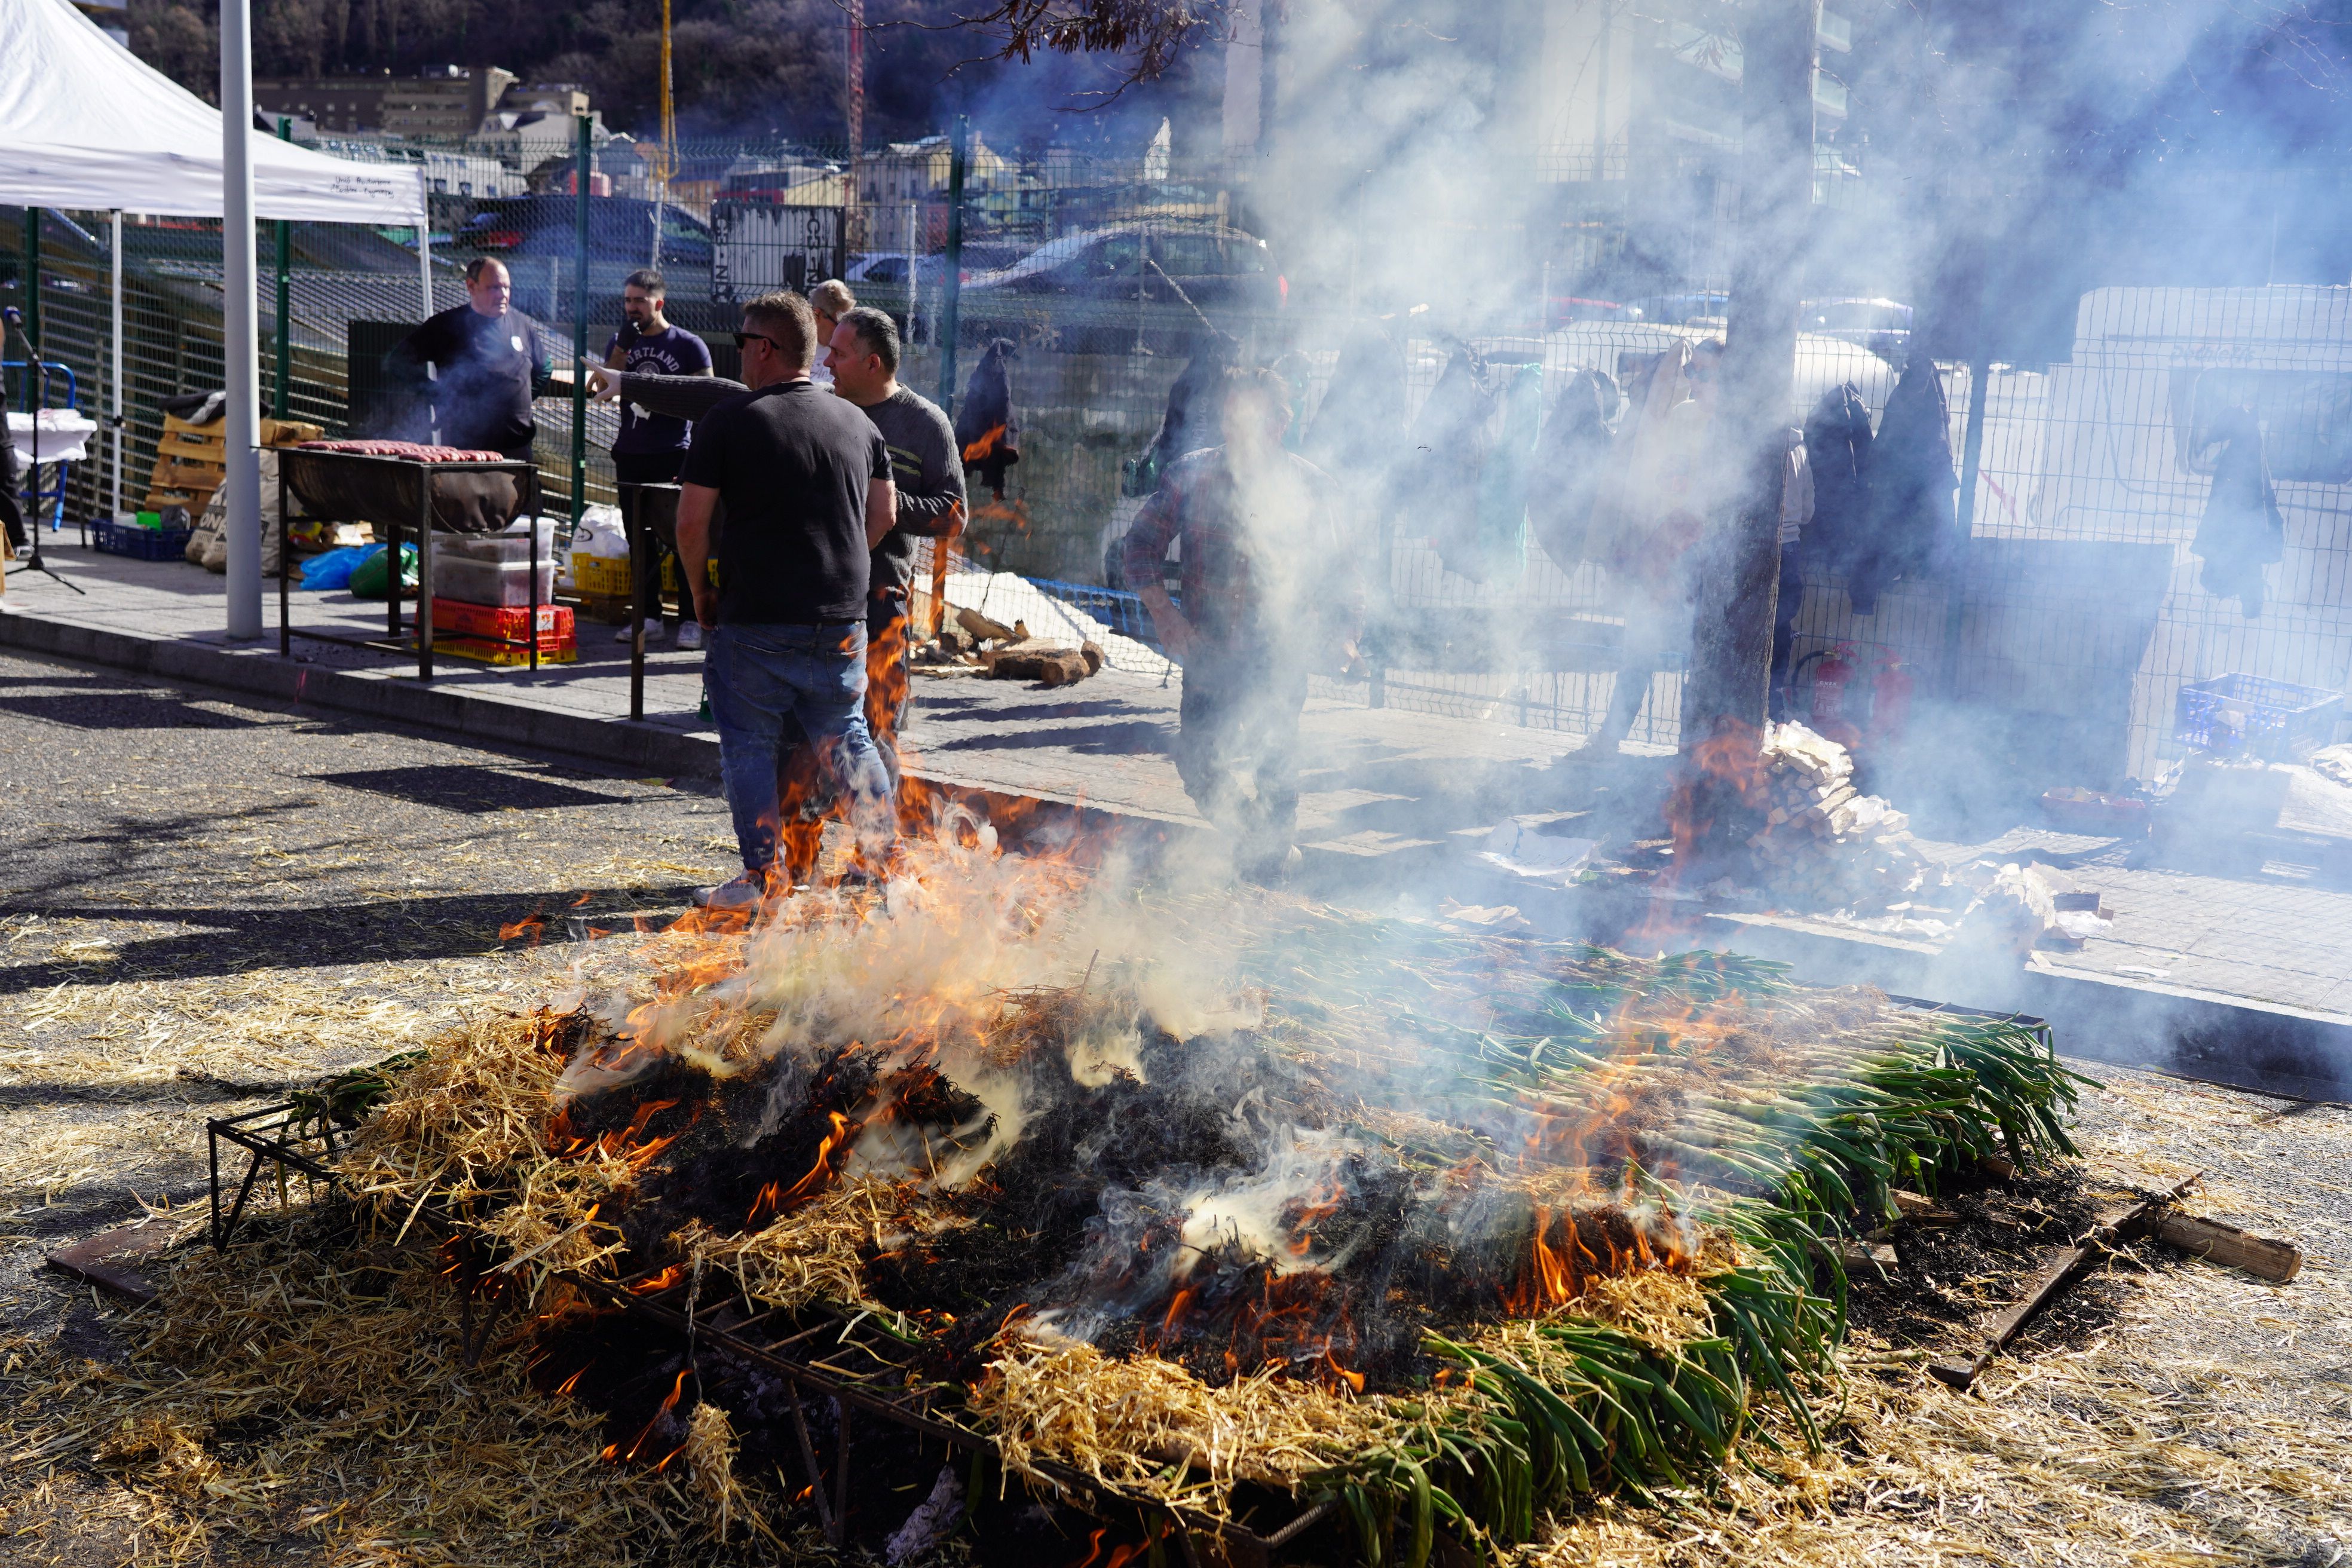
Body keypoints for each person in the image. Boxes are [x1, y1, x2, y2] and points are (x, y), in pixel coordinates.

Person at [675, 290, 900, 912]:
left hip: (757, 617)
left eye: (744, 343)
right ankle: (887, 867)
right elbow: (883, 514)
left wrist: (700, 591)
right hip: (841, 617)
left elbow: (691, 523)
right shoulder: (860, 422)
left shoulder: (731, 418)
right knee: (848, 734)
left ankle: (762, 878)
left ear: (765, 348)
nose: (740, 355)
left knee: (747, 743)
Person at [1122, 366, 1356, 881]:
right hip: (1210, 651)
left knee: (1276, 768)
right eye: (1231, 415)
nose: (1238, 428)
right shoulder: (1191, 475)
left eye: (1251, 417)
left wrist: (1344, 634)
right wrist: (1165, 614)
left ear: (1279, 423)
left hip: (1280, 656)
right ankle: (1262, 847)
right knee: (1201, 767)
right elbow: (1137, 547)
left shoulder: (1314, 488)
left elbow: (1343, 575)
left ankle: (1265, 879)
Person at [822, 305, 966, 791]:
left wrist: (883, 500)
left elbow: (954, 515)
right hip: (817, 597)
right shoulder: (825, 409)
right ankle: (803, 852)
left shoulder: (925, 423)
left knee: (878, 730)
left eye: (838, 354)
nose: (826, 363)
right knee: (811, 733)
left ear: (873, 363)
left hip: (882, 603)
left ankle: (878, 852)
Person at [599, 268, 713, 650]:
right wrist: (621, 348)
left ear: (658, 303)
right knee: (639, 539)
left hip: (673, 454)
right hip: (631, 454)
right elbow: (603, 388)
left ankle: (689, 618)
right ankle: (647, 615)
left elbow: (708, 397)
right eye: (628, 301)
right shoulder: (622, 342)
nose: (632, 308)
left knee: (684, 537)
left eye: (640, 302)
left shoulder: (688, 345)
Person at [384, 257, 561, 460]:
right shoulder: (447, 325)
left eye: (506, 288)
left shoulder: (522, 326)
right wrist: (435, 393)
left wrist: (525, 395)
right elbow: (398, 361)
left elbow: (545, 367)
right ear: (471, 286)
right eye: (494, 288)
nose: (502, 295)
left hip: (517, 446)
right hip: (467, 447)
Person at [807, 280, 856, 390]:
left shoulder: (851, 349)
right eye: (839, 323)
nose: (844, 330)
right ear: (817, 315)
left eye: (848, 321)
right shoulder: (796, 347)